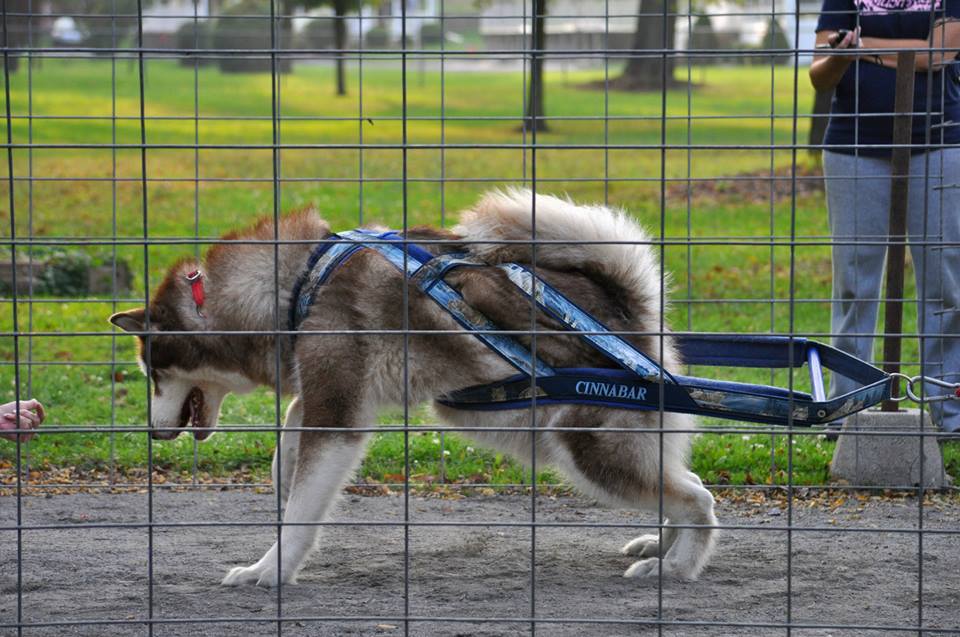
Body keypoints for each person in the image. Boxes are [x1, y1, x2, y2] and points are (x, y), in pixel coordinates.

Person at [809, 0, 960, 432]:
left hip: (940, 141)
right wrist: (841, 55)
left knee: (945, 281)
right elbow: (820, 74)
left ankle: (950, 414)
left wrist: (863, 47)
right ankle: (847, 412)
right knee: (855, 283)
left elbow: (937, 55)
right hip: (853, 144)